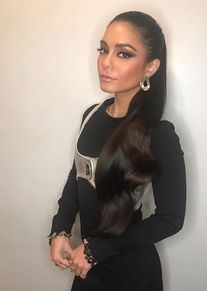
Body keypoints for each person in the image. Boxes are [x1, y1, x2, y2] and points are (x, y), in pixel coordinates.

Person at [48, 11, 186, 291]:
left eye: (123, 54)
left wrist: (96, 249)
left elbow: (171, 219)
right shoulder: (92, 115)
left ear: (150, 67)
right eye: (103, 50)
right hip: (86, 268)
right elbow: (78, 177)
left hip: (130, 270)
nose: (106, 62)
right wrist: (59, 229)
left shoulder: (158, 134)